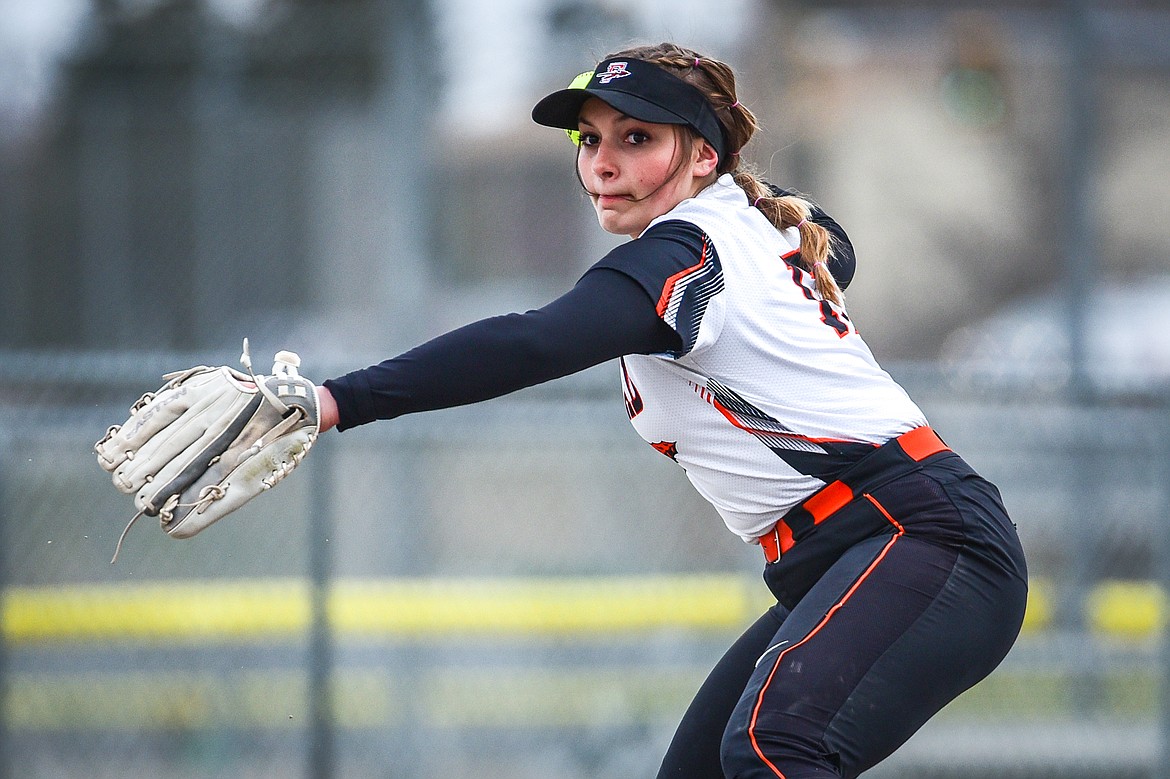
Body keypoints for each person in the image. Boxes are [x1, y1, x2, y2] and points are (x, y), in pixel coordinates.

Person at [315, 42, 1028, 779]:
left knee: (772, 745)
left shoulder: (690, 251)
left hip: (922, 538)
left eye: (638, 137)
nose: (603, 162)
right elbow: (834, 248)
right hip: (858, 550)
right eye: (590, 139)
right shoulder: (742, 225)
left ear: (703, 158)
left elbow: (532, 342)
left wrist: (338, 399)